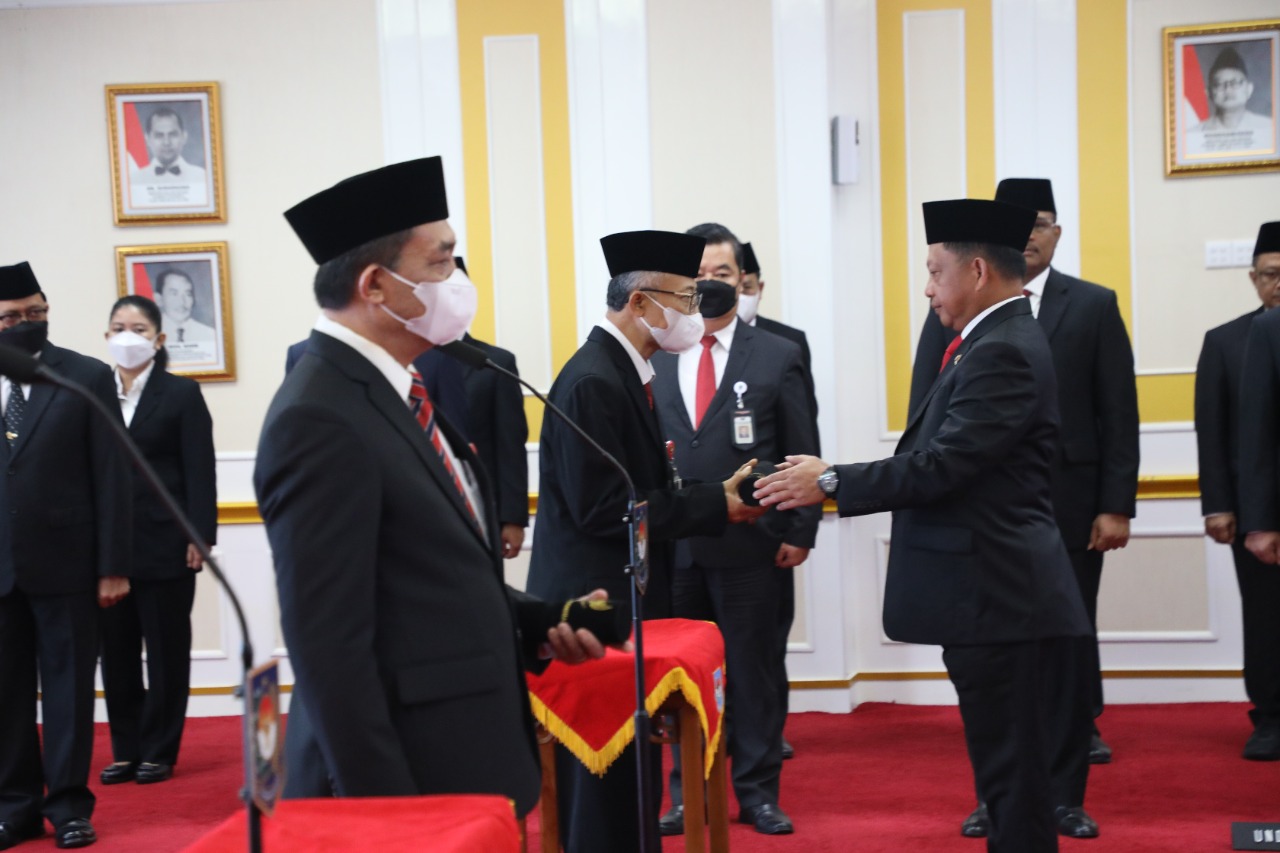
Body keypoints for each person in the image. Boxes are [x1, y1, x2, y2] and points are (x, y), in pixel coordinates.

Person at [253, 156, 611, 812]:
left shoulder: (398, 387)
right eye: (442, 262)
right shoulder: (319, 416)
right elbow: (330, 646)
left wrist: (542, 621)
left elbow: (422, 578)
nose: (457, 282)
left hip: (462, 753)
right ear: (376, 285)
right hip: (411, 779)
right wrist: (390, 817)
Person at [755, 199, 1094, 853]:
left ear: (976, 270)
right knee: (1005, 778)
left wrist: (831, 480)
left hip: (1000, 597)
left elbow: (942, 466)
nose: (928, 288)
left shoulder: (1004, 350)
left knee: (1014, 781)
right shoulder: (986, 342)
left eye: (935, 272)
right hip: (990, 598)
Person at [911, 178, 1136, 839]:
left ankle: (1064, 794)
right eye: (1017, 223)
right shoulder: (955, 311)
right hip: (982, 523)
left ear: (1055, 232)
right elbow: (927, 411)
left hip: (1070, 513)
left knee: (1064, 664)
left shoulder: (1091, 305)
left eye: (1038, 223)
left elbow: (1117, 409)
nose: (1028, 234)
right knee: (999, 681)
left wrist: (1115, 504)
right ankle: (1003, 797)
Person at [526, 229, 764, 853]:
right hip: (590, 609)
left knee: (631, 786)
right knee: (601, 793)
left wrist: (714, 494)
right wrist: (717, 504)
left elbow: (643, 487)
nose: (695, 312)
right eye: (686, 298)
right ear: (639, 303)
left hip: (620, 601)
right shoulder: (594, 380)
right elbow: (606, 510)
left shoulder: (625, 372)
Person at [653, 223, 819, 836]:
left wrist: (800, 530)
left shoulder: (777, 353)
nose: (709, 283)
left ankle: (757, 793)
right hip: (677, 548)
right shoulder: (656, 352)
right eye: (697, 274)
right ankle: (686, 793)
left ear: (741, 279)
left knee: (753, 675)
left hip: (754, 545)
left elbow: (803, 448)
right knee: (680, 677)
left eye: (720, 273)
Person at [0, 262, 132, 850]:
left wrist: (113, 564)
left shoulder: (84, 376)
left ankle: (70, 808)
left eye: (36, 312)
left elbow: (112, 474)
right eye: (10, 317)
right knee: (5, 698)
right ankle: (16, 808)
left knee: (69, 693)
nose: (25, 323)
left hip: (69, 565)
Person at [97, 295, 217, 787]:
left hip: (167, 542)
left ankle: (159, 750)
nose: (128, 337)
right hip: (109, 547)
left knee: (167, 651)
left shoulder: (181, 394)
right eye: (118, 327)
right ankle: (126, 750)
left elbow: (199, 468)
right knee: (116, 653)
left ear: (160, 339)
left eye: (140, 329)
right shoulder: (91, 392)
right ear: (106, 336)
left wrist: (199, 534)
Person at [739, 240, 819, 761]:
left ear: (756, 287)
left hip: (768, 524)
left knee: (766, 644)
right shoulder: (677, 344)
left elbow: (802, 435)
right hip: (702, 529)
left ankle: (768, 735)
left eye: (743, 283)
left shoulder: (785, 344)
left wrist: (801, 527)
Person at [1221, 221, 1280, 761]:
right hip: (1262, 508)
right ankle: (1271, 715)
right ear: (1254, 278)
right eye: (1270, 273)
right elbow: (1248, 438)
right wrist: (1252, 517)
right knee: (1267, 620)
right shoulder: (1245, 336)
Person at [1187, 47, 1275, 157]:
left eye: (1235, 83)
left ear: (1249, 89)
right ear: (1208, 93)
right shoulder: (1192, 135)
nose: (1228, 89)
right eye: (1219, 84)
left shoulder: (1270, 129)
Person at [128, 107, 209, 208]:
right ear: (147, 139)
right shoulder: (133, 181)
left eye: (173, 134)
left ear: (184, 137)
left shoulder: (202, 177)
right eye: (159, 135)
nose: (166, 142)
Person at [152, 269, 217, 363]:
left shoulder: (210, 334)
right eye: (174, 293)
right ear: (159, 299)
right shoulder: (149, 336)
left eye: (188, 294)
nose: (182, 301)